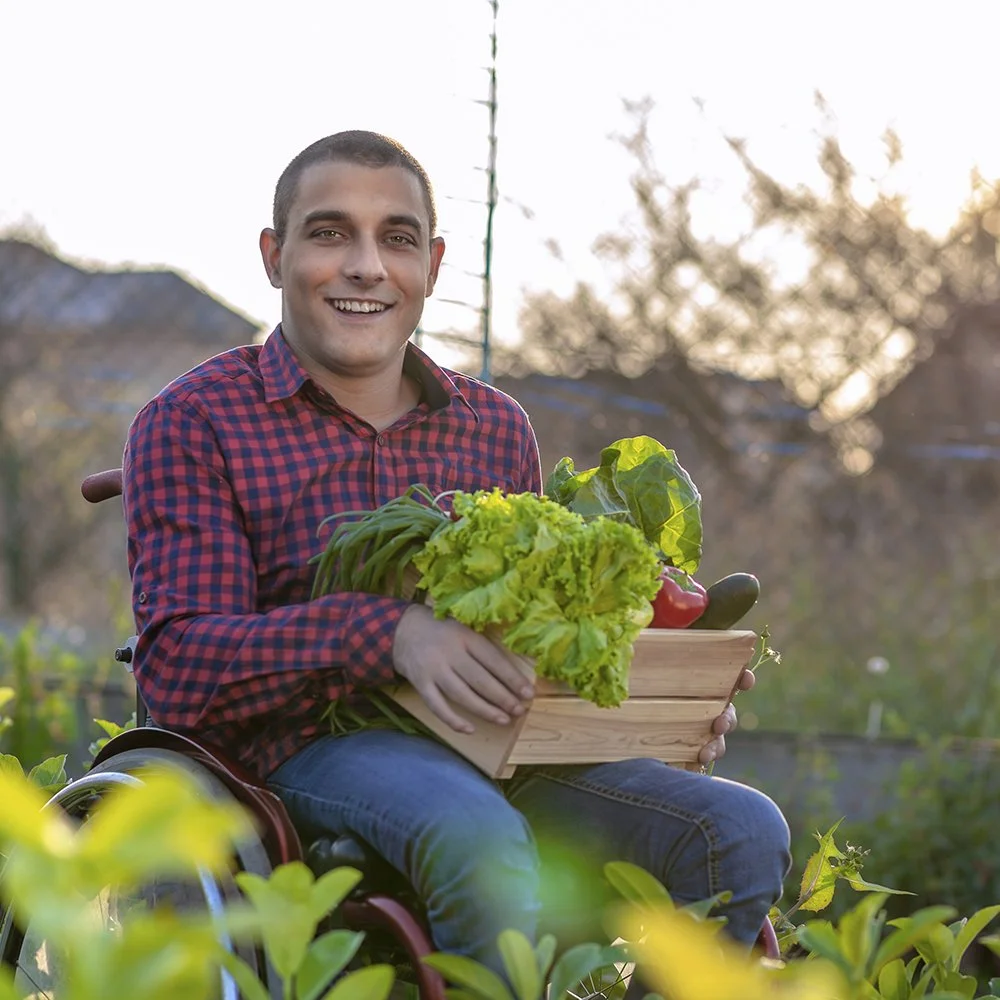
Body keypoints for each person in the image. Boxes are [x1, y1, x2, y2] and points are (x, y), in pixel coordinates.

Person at [122, 130, 790, 987]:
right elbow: (178, 665)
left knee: (738, 832)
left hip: (502, 746)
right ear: (273, 254)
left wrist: (660, 700)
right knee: (476, 837)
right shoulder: (197, 420)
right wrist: (389, 634)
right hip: (305, 747)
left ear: (431, 264)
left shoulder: (494, 426)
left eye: (396, 238)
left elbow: (536, 639)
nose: (367, 265)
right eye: (330, 233)